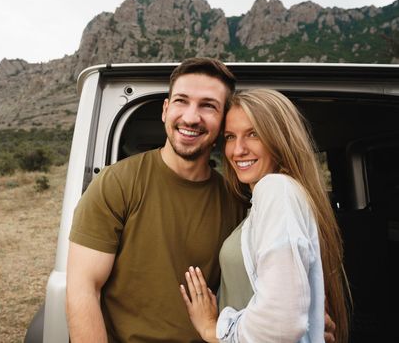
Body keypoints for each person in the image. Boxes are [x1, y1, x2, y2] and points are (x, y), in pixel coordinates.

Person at [66, 58, 336, 342]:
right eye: (182, 101)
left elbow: (268, 282)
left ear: (221, 123)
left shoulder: (238, 199)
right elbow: (83, 288)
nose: (192, 117)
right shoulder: (117, 182)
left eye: (208, 105)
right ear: (165, 110)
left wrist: (308, 316)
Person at [179, 89, 350, 343]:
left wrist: (212, 329)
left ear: (278, 139)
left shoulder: (276, 189)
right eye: (229, 137)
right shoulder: (268, 200)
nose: (238, 150)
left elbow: (280, 325)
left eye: (253, 134)